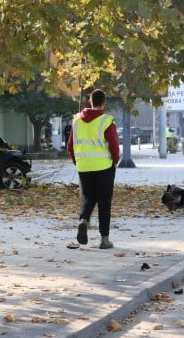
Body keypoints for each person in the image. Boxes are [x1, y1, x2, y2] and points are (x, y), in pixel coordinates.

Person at [67, 89, 120, 249]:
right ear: (103, 102)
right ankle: (104, 240)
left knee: (88, 197)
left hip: (84, 166)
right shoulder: (106, 120)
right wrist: (115, 161)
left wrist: (78, 162)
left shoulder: (76, 121)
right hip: (103, 166)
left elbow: (70, 146)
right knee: (104, 201)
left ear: (90, 102)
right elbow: (114, 145)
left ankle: (83, 220)